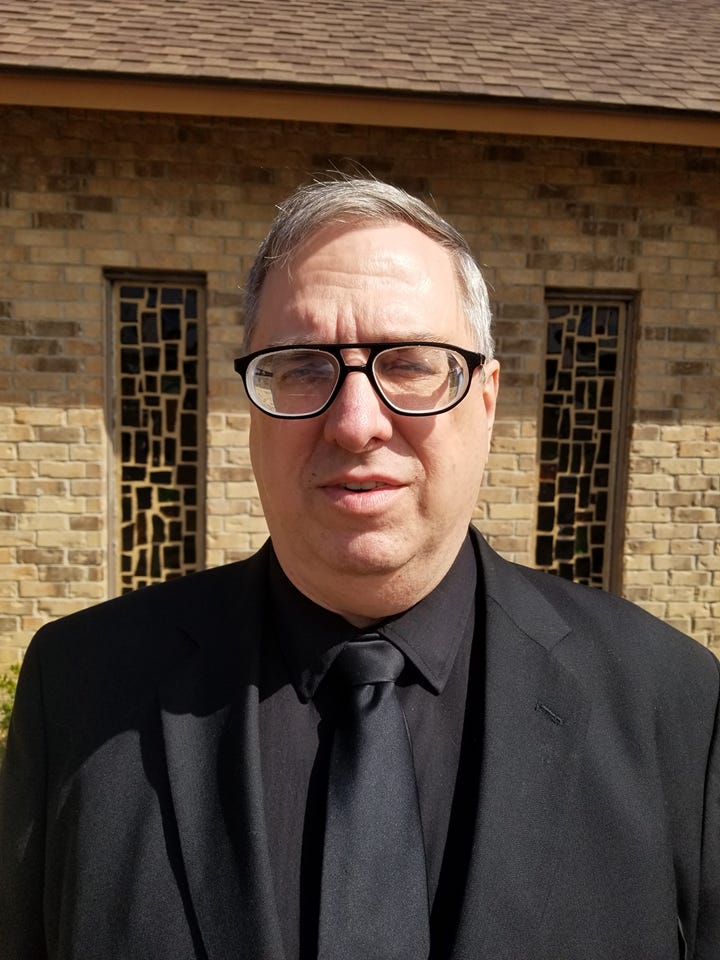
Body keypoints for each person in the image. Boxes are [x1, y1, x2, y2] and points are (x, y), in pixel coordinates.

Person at [0, 177, 718, 960]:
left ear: (486, 401)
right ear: (250, 406)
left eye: (409, 363)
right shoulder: (80, 687)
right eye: (303, 366)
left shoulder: (673, 703)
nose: (355, 422)